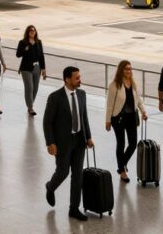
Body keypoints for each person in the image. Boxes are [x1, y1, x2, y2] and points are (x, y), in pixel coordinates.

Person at [43, 66, 94, 222]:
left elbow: (84, 117)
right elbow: (47, 122)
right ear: (67, 79)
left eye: (79, 77)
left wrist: (88, 137)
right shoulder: (55, 97)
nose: (80, 80)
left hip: (79, 140)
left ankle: (74, 209)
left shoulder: (82, 94)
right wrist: (50, 143)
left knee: (77, 175)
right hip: (63, 142)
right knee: (63, 171)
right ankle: (50, 187)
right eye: (77, 78)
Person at [106, 60, 148, 182]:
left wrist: (143, 112)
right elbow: (109, 105)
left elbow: (139, 100)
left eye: (130, 68)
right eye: (125, 69)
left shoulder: (134, 83)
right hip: (118, 118)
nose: (128, 71)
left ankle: (121, 165)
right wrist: (107, 120)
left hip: (131, 117)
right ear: (121, 70)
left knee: (133, 143)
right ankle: (123, 171)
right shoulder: (114, 85)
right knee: (121, 144)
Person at [15, 25, 47, 116]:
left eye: (34, 30)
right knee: (29, 87)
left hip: (37, 67)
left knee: (35, 88)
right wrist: (25, 49)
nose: (32, 32)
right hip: (26, 68)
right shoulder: (22, 42)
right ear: (27, 32)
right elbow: (18, 55)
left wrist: (43, 69)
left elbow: (41, 56)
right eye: (30, 30)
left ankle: (30, 103)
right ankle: (30, 108)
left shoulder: (39, 42)